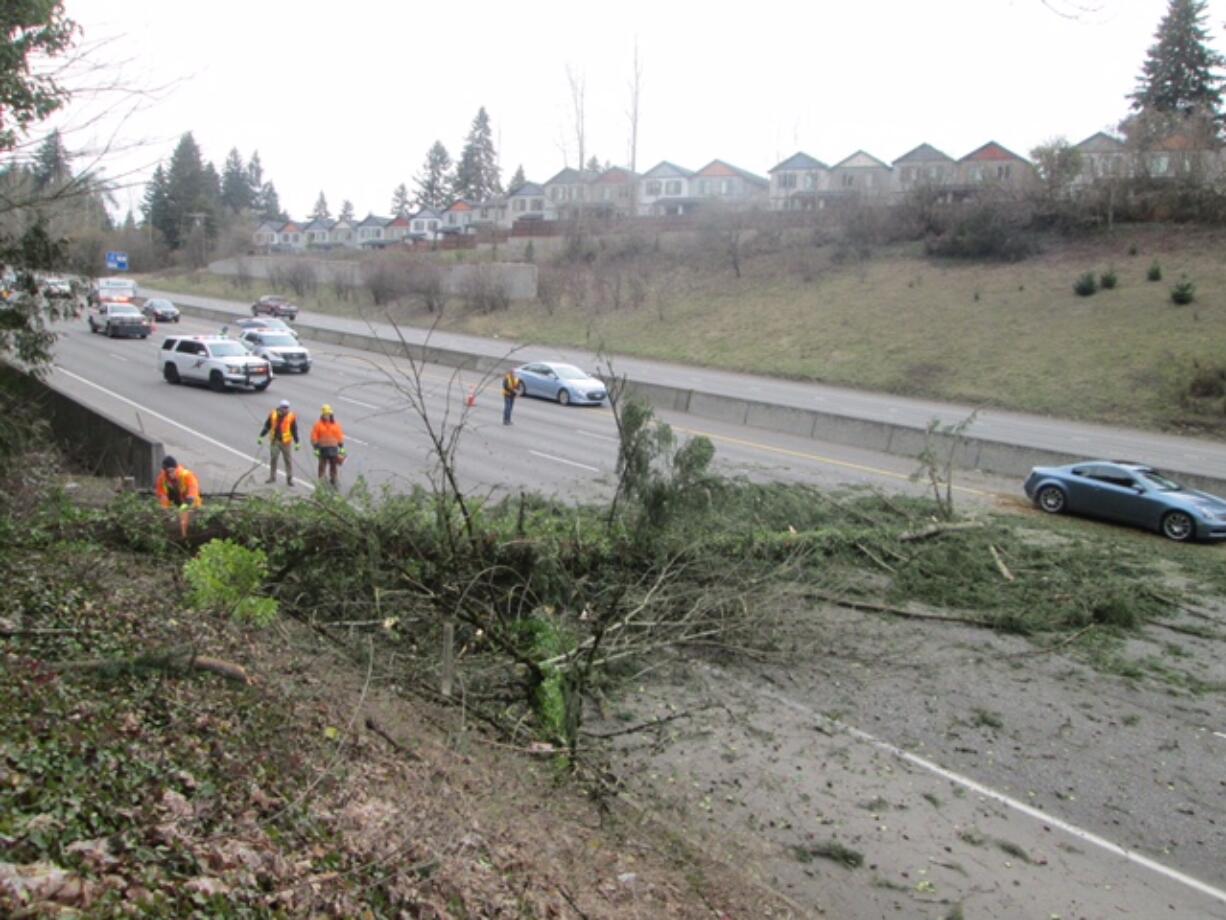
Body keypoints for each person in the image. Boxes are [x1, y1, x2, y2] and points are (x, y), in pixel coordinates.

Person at [155, 455, 201, 539]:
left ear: (176, 468)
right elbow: (162, 496)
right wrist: (165, 511)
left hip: (192, 505)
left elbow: (193, 492)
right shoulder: (162, 479)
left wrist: (186, 505)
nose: (170, 474)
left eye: (171, 471)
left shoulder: (187, 475)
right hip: (176, 505)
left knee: (188, 524)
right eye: (167, 472)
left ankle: (185, 536)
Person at [257, 399, 299, 486]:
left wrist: (297, 442)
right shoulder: (273, 414)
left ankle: (289, 479)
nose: (285, 409)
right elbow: (267, 426)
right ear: (280, 407)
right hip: (275, 441)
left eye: (287, 408)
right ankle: (272, 477)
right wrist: (261, 436)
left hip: (286, 442)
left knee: (287, 460)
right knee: (274, 459)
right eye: (284, 407)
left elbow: (294, 430)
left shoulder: (291, 416)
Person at [311, 404, 346, 488]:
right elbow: (314, 437)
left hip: (333, 449)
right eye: (325, 414)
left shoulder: (336, 425)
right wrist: (316, 448)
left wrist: (341, 448)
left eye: (328, 414)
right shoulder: (318, 425)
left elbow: (339, 436)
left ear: (331, 414)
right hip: (322, 449)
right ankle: (321, 481)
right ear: (322, 415)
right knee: (322, 466)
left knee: (333, 466)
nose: (327, 416)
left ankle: (333, 480)